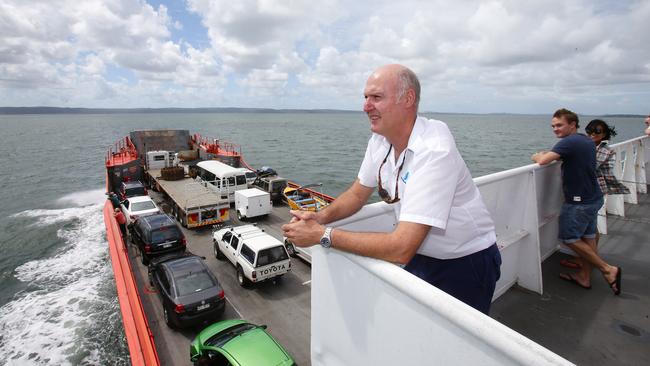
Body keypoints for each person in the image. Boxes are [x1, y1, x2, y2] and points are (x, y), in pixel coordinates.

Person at [282, 64, 501, 314]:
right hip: (423, 254)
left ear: (408, 99)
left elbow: (401, 247)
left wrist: (322, 235)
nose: (366, 106)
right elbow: (357, 194)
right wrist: (319, 217)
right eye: (365, 98)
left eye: (376, 97)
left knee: (459, 347)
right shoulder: (380, 140)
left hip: (465, 261)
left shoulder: (435, 150)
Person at [531, 109, 621, 295]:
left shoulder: (569, 141)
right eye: (553, 126)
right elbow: (569, 155)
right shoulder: (585, 140)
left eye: (559, 125)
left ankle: (607, 269)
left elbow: (543, 161)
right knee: (588, 238)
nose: (555, 129)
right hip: (593, 196)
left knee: (569, 238)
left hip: (579, 202)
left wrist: (537, 155)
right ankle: (584, 276)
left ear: (573, 124)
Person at [560, 119, 630, 270]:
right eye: (589, 131)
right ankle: (586, 263)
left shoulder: (605, 150)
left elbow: (590, 165)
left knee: (575, 235)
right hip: (591, 193)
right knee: (590, 231)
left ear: (604, 134)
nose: (592, 134)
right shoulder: (589, 146)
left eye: (597, 131)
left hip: (591, 193)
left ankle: (600, 266)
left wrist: (563, 154)